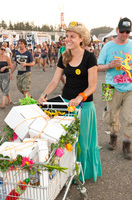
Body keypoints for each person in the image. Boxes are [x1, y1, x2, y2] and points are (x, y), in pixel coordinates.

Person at [38, 21, 102, 182]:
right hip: (66, 104)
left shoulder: (89, 57)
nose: (68, 39)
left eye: (72, 36)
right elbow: (55, 81)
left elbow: (93, 85)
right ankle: (66, 173)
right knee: (65, 141)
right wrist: (44, 94)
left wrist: (80, 96)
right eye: (67, 36)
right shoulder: (64, 56)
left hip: (84, 106)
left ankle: (81, 174)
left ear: (81, 39)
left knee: (82, 142)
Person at [98, 17, 132, 160]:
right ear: (117, 30)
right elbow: (97, 67)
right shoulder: (107, 46)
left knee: (131, 118)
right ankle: (113, 138)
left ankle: (127, 145)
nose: (125, 34)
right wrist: (110, 65)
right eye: (122, 31)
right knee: (110, 117)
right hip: (110, 86)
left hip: (131, 87)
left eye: (127, 31)